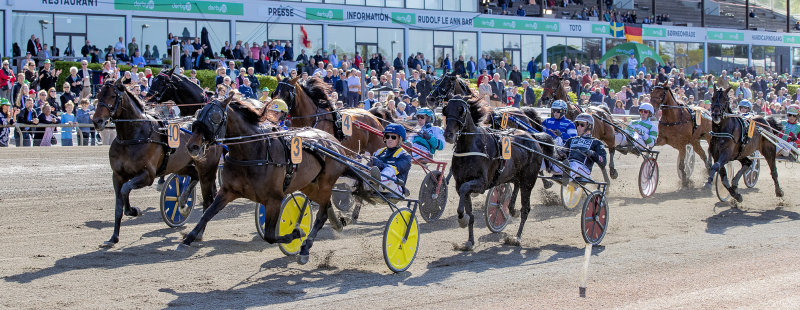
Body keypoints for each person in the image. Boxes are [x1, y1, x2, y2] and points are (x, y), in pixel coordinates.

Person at [555, 113, 608, 180]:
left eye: (582, 125)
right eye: (577, 124)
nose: (578, 127)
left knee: (574, 165)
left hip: (584, 170)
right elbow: (562, 155)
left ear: (589, 126)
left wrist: (591, 153)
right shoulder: (571, 140)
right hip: (569, 166)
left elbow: (603, 161)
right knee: (552, 163)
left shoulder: (596, 142)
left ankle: (567, 179)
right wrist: (558, 152)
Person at [367, 123, 412, 196]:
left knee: (390, 171)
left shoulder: (405, 156)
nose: (389, 139)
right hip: (376, 186)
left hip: (395, 188)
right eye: (387, 136)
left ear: (400, 139)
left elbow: (394, 170)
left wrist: (380, 164)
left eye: (393, 137)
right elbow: (369, 168)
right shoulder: (379, 152)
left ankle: (377, 181)